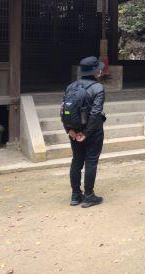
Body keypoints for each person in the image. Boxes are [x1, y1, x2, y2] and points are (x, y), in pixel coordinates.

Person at [63, 56, 106, 208]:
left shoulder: (71, 86)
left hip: (74, 131)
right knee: (91, 161)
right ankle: (88, 196)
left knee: (77, 160)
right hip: (93, 131)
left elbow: (63, 111)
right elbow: (95, 113)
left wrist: (70, 130)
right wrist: (86, 133)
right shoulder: (98, 88)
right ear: (96, 72)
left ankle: (75, 195)